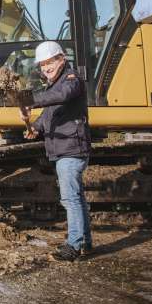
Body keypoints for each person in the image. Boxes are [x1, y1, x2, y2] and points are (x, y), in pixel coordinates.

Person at [20, 41, 93, 261]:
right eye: (42, 65)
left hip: (71, 149)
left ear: (61, 59)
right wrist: (33, 128)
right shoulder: (53, 88)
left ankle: (74, 245)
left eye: (49, 62)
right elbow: (46, 119)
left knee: (70, 199)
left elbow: (63, 95)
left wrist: (31, 101)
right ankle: (85, 243)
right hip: (63, 150)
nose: (46, 68)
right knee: (77, 198)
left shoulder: (71, 80)